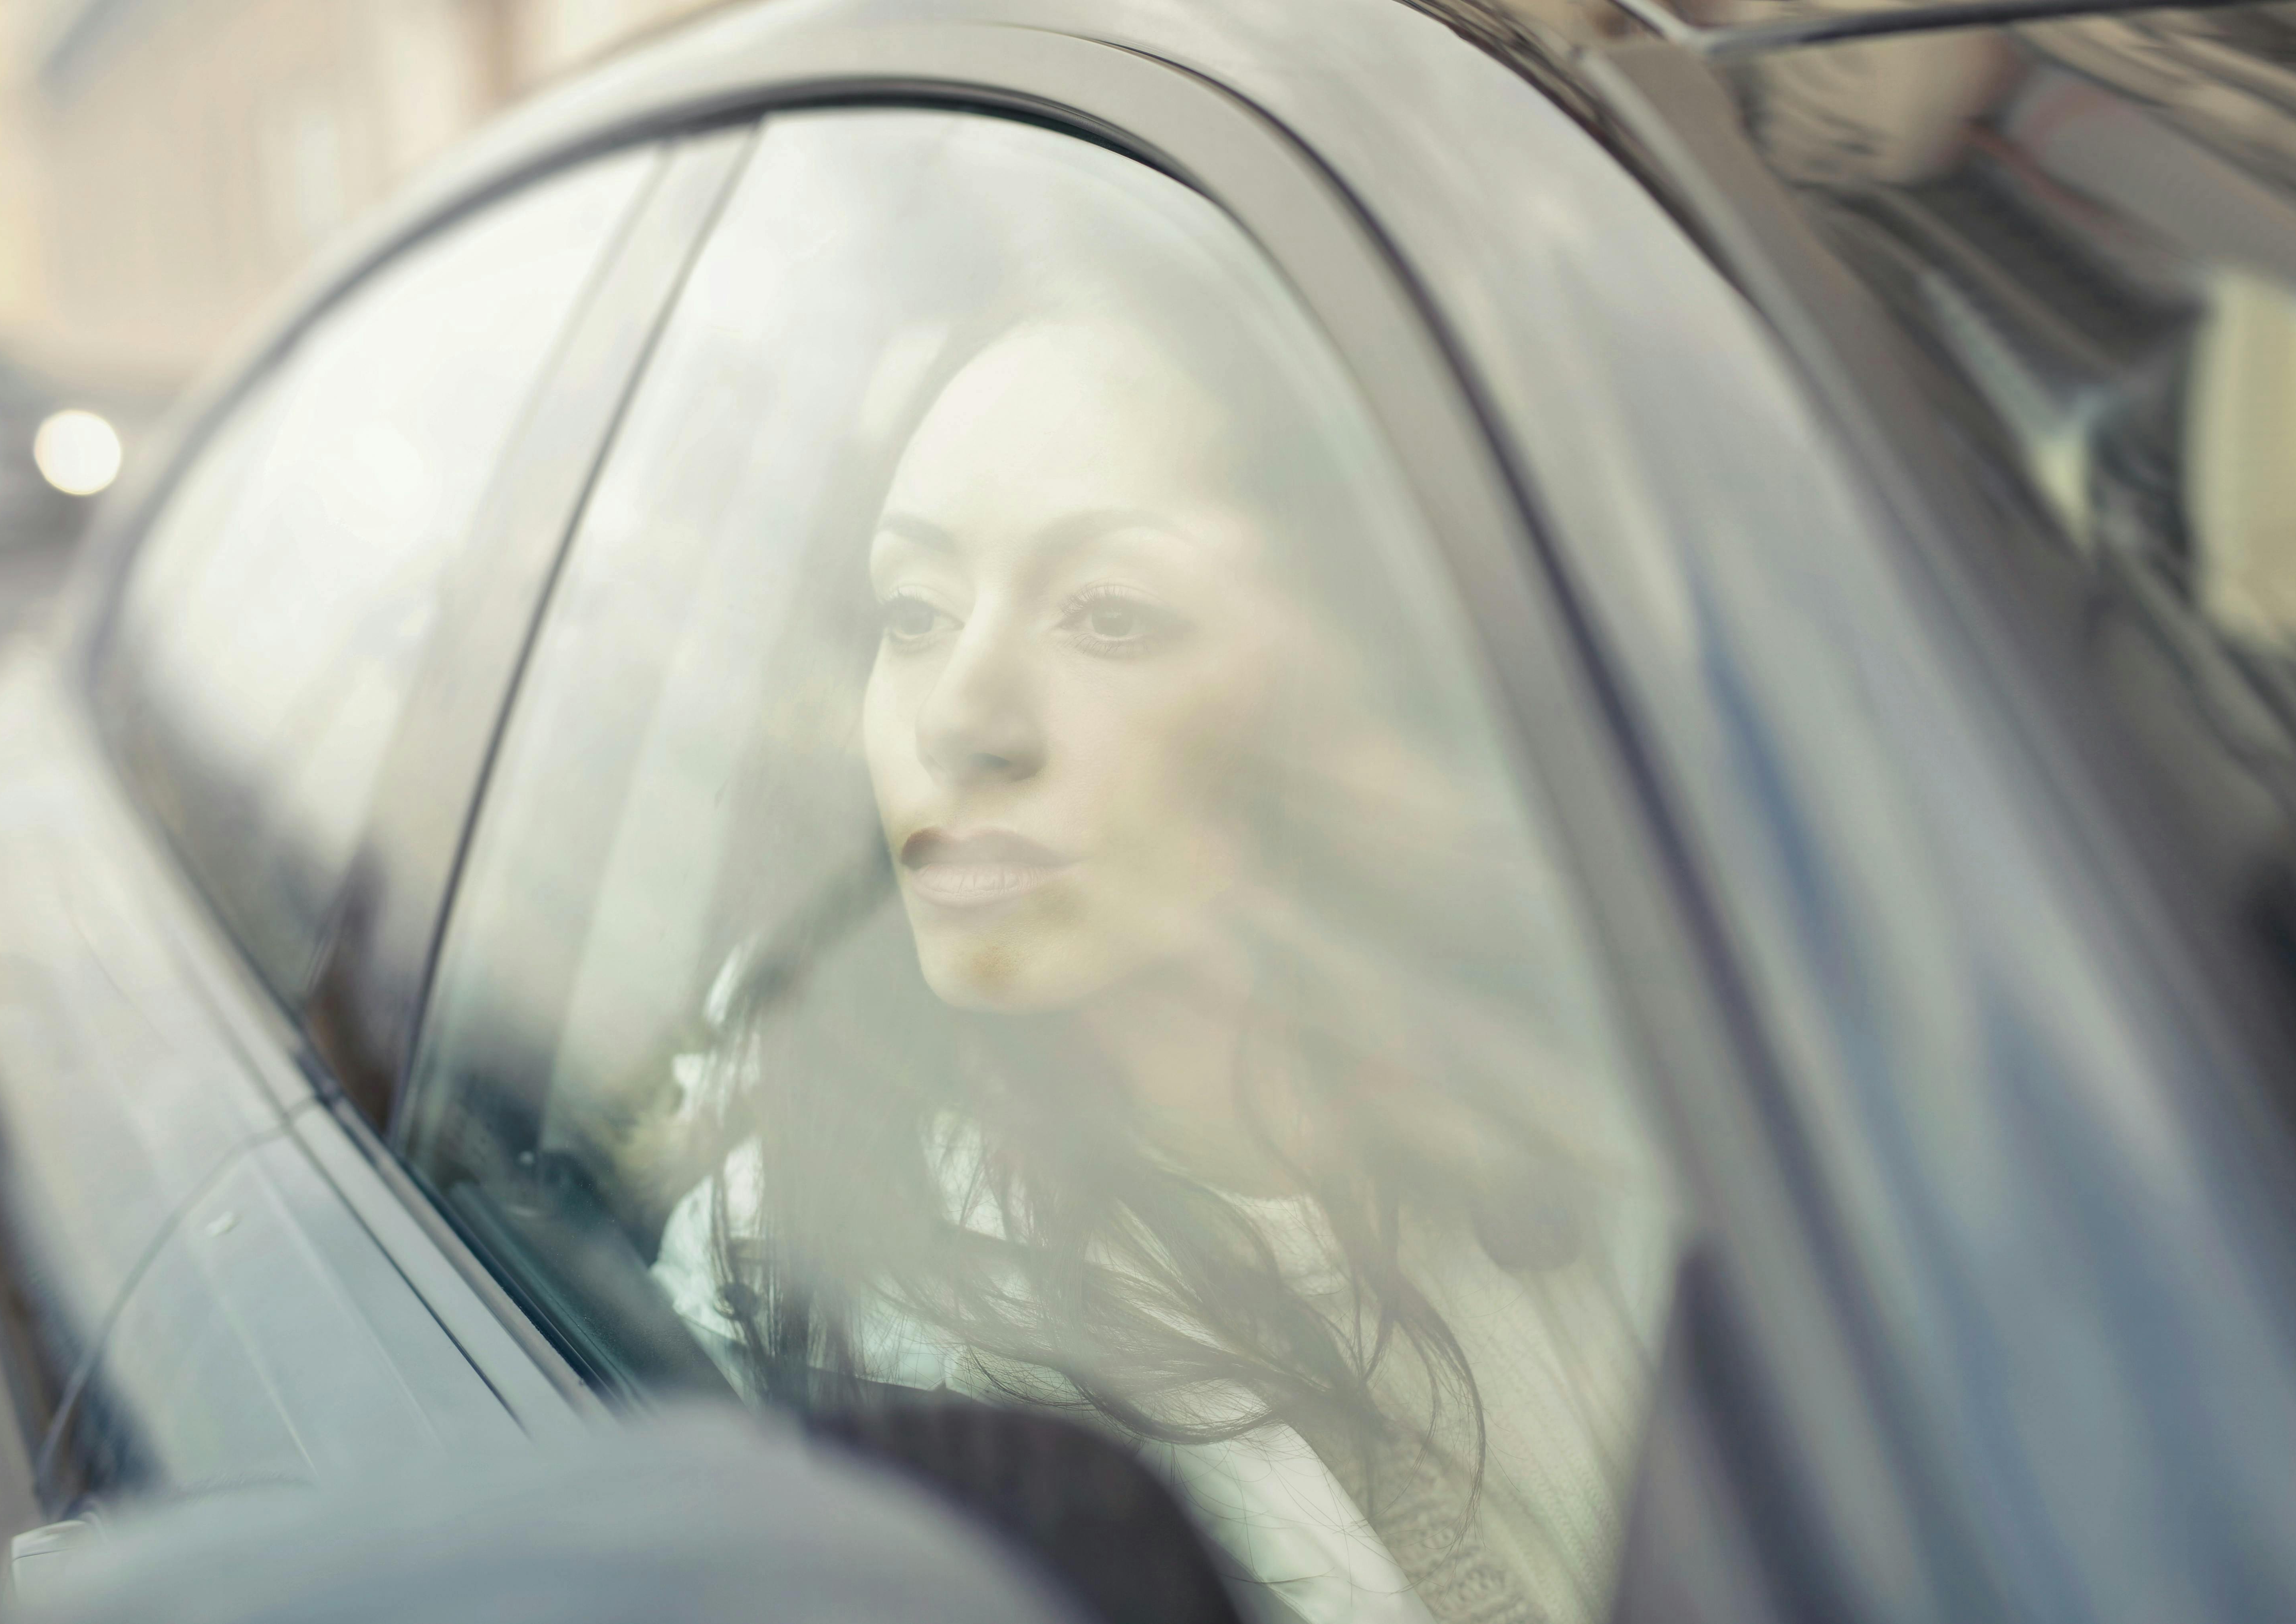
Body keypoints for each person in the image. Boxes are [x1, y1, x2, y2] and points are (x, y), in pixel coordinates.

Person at [619, 261, 1672, 1624]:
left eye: (1106, 614)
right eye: (914, 613)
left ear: (1344, 687)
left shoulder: (1631, 1113)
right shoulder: (791, 1302)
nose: (961, 716)